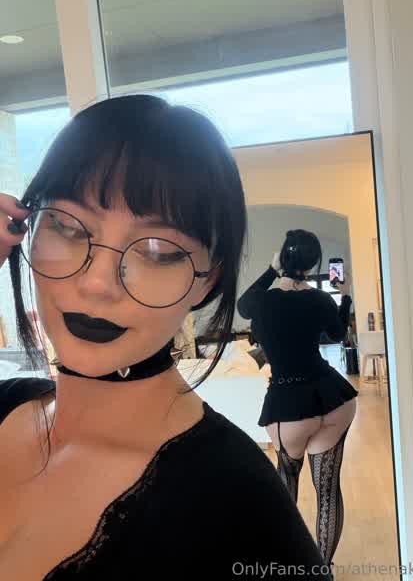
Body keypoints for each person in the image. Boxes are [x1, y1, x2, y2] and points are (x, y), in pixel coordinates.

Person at [0, 96, 332, 580]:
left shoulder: (236, 502)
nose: (98, 282)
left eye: (158, 251)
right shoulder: (7, 404)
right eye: (68, 227)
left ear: (208, 280)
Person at [237, 229, 359, 570]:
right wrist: (345, 296)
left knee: (285, 492)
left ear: (283, 258)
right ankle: (323, 570)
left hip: (288, 407)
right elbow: (338, 333)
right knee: (328, 491)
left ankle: (287, 565)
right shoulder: (320, 300)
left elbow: (242, 304)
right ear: (313, 263)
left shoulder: (263, 302)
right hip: (333, 399)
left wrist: (272, 269)